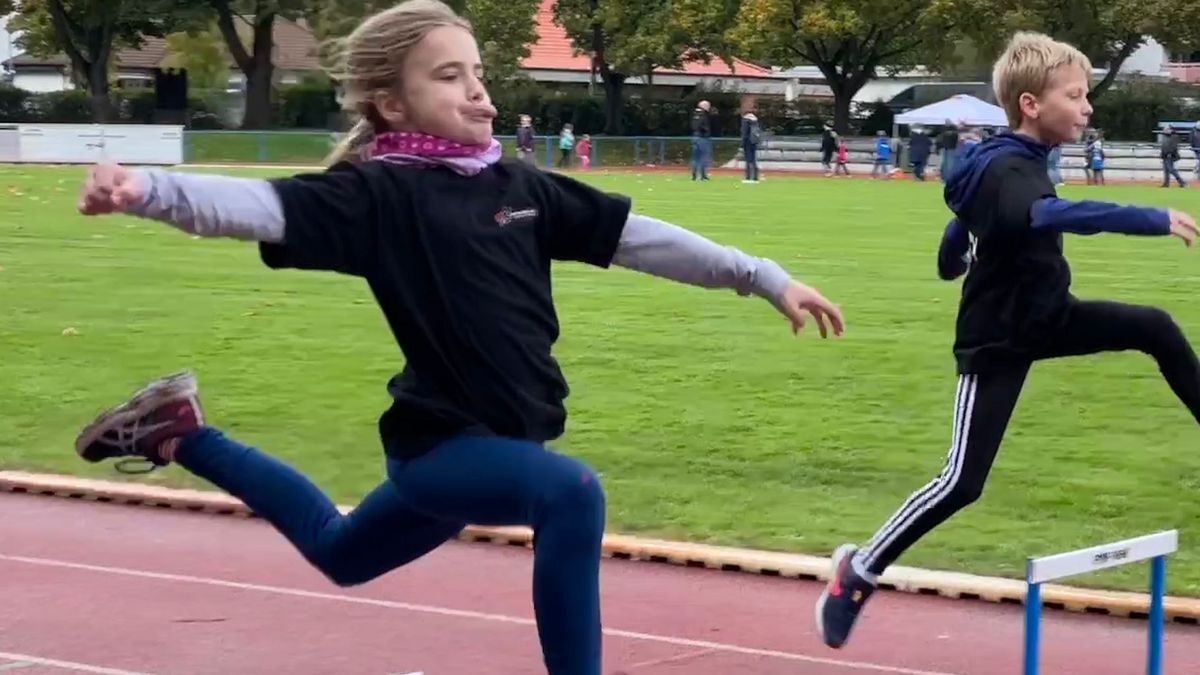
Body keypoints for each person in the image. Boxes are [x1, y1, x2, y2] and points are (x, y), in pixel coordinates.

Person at [71, 3, 846, 674]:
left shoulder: (520, 185)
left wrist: (764, 276)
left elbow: (640, 238)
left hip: (506, 441)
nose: (476, 87)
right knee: (571, 493)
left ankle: (181, 430)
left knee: (341, 553)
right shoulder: (381, 194)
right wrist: (143, 190)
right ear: (392, 105)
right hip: (442, 449)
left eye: (475, 70)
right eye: (447, 75)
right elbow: (259, 208)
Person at [816, 30, 1200, 650]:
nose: (1087, 107)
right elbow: (1048, 214)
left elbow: (957, 241)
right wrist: (1147, 217)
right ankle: (857, 573)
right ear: (1030, 104)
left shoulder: (1005, 160)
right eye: (1075, 96)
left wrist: (960, 242)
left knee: (1154, 327)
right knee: (960, 483)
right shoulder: (1008, 166)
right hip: (999, 340)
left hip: (1051, 315)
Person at [691, 100, 713, 181]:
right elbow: (701, 126)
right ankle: (702, 175)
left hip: (695, 137)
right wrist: (706, 130)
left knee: (695, 157)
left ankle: (694, 174)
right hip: (702, 137)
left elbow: (693, 126)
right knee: (703, 156)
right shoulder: (703, 115)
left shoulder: (695, 115)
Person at [741, 111, 762, 183]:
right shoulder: (755, 120)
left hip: (747, 142)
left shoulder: (745, 121)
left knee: (748, 159)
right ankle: (755, 176)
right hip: (754, 142)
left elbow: (744, 133)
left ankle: (749, 177)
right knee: (753, 159)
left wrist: (742, 143)